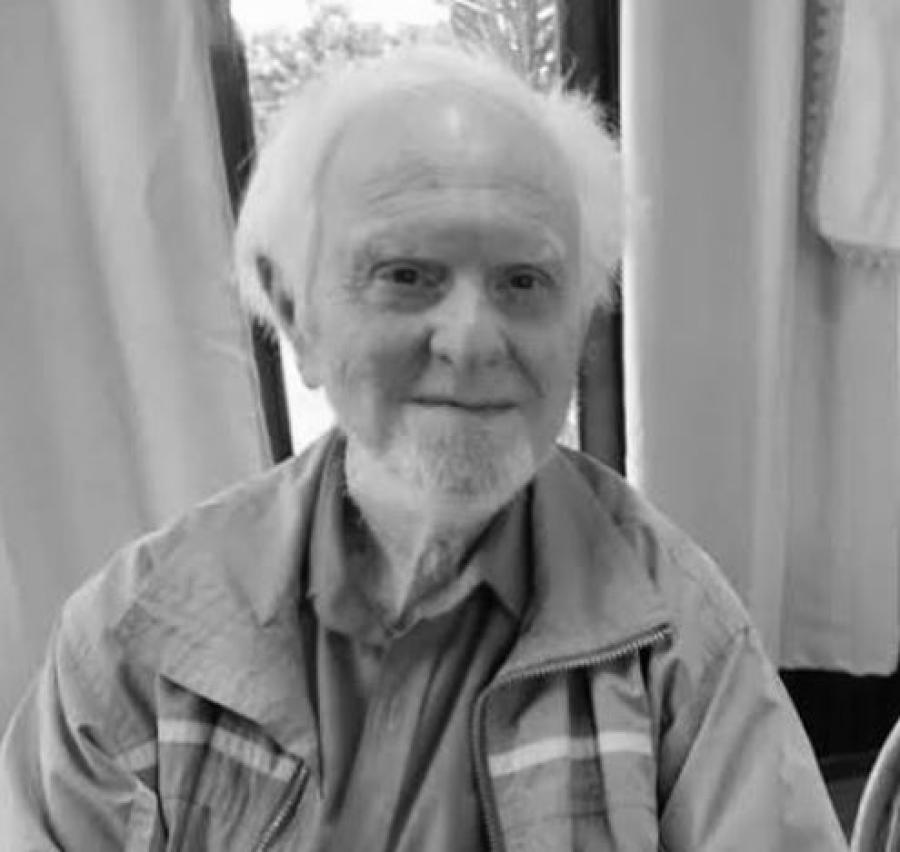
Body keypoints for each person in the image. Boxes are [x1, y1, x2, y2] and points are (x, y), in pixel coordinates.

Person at [0, 43, 847, 850]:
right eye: (406, 275)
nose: (472, 341)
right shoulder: (130, 643)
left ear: (580, 327)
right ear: (296, 315)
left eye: (525, 282)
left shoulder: (682, 639)